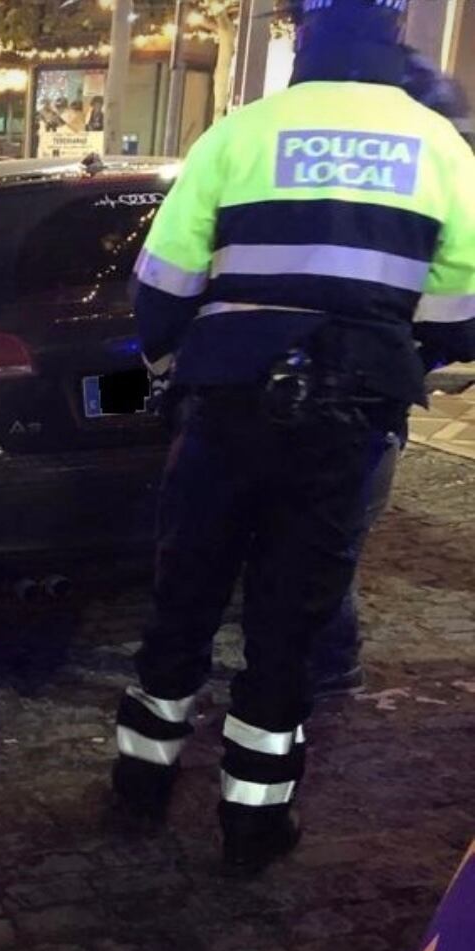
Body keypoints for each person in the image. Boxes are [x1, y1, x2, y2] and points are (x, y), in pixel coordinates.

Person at [111, 0, 475, 874]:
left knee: (185, 597)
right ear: (396, 38)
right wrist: (388, 343)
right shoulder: (442, 149)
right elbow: (464, 317)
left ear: (302, 39)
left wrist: (193, 345)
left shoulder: (241, 134)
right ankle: (253, 827)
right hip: (347, 420)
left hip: (228, 404)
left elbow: (159, 293)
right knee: (287, 627)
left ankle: (140, 788)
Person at [311, 44, 475, 697]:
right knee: (329, 530)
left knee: (320, 530)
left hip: (349, 375)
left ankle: (328, 658)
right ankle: (325, 658)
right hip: (370, 379)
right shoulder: (433, 165)